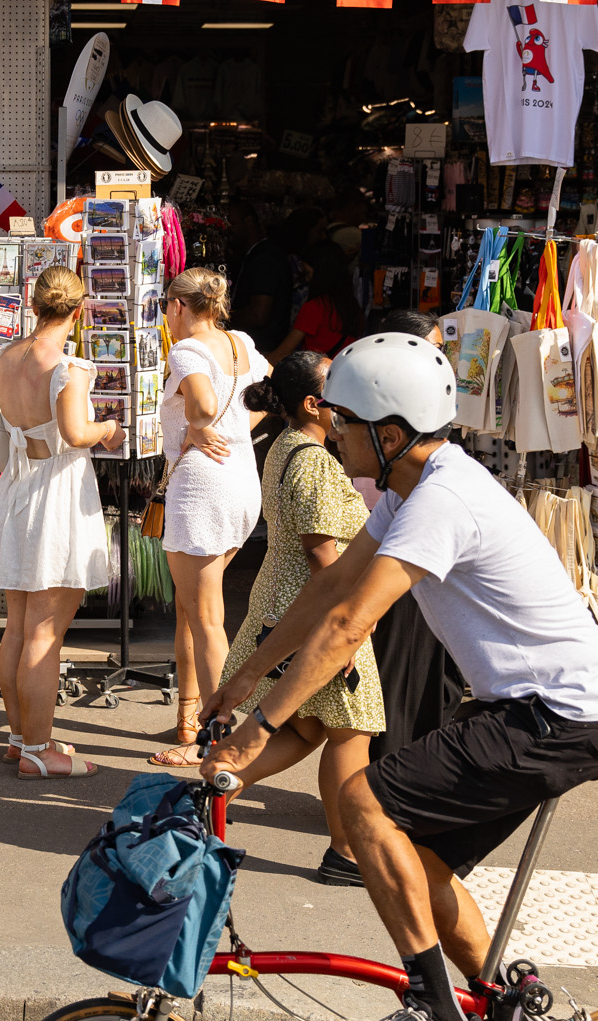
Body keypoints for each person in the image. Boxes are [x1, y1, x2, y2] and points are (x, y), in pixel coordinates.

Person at [202, 333, 598, 1021]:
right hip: (529, 709)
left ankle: (433, 1000)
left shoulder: (443, 499)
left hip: (556, 715)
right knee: (418, 862)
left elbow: (348, 627)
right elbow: (332, 587)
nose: (334, 432)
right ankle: (498, 1001)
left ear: (390, 432)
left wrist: (259, 730)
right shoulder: (414, 484)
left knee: (362, 802)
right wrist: (243, 676)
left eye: (345, 421)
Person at [222, 352, 384, 885]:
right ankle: (346, 852)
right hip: (317, 611)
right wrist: (350, 619)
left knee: (307, 725)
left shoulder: (289, 446)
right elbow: (323, 557)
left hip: (292, 604)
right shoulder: (310, 459)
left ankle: (214, 786)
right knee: (349, 731)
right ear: (314, 404)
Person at [0, 266, 124, 779]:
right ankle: (38, 752)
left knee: (18, 627)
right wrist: (108, 427)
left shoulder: (7, 355)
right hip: (57, 491)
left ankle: (20, 739)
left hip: (20, 485)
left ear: (34, 301)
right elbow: (75, 431)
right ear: (79, 310)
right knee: (46, 632)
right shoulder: (70, 367)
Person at [149, 268, 269, 768]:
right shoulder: (239, 342)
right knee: (195, 609)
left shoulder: (186, 350)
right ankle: (189, 713)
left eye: (166, 309)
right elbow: (270, 396)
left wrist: (196, 427)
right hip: (240, 478)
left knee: (206, 619)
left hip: (202, 486)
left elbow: (201, 404)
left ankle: (216, 741)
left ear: (179, 306)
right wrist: (235, 428)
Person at [362, 311, 466, 760]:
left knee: (424, 669)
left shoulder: (424, 405)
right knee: (400, 666)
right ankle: (392, 778)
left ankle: (408, 772)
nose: (442, 359)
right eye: (434, 349)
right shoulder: (382, 409)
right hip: (396, 540)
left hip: (412, 537)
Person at [233, 206, 325, 355]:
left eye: (232, 223)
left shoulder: (265, 259)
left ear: (248, 221)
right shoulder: (260, 255)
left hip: (263, 348)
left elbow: (258, 315)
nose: (226, 228)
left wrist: (224, 316)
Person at [269, 243, 363, 362]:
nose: (306, 279)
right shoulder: (353, 306)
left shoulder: (315, 307)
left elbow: (282, 352)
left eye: (307, 273)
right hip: (343, 373)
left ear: (320, 273)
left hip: (319, 376)